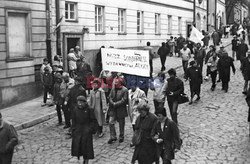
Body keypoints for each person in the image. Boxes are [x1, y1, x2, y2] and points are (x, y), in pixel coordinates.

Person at [71, 96, 97, 164]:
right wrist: (73, 129)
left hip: (86, 131)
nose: (80, 104)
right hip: (78, 131)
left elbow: (93, 121)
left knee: (87, 148)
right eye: (79, 102)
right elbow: (73, 120)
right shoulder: (75, 109)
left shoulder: (89, 109)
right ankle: (80, 158)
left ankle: (86, 160)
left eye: (81, 102)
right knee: (79, 146)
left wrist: (90, 129)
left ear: (85, 103)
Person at [107, 78, 128, 144]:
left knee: (121, 124)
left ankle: (121, 136)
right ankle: (113, 136)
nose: (115, 84)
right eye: (115, 83)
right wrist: (111, 102)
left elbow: (124, 100)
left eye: (117, 83)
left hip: (121, 109)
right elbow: (110, 97)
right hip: (113, 109)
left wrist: (116, 104)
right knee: (111, 122)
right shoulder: (113, 89)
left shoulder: (125, 90)